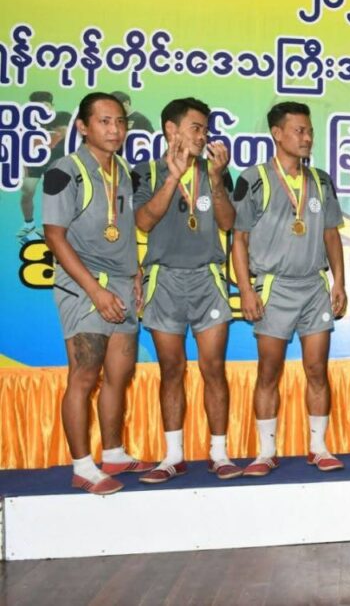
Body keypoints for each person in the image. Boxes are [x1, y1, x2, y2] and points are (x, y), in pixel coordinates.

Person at [42, 92, 153, 495]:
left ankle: (114, 453)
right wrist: (94, 290)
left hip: (122, 283)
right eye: (104, 121)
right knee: (85, 374)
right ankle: (82, 466)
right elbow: (54, 236)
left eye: (120, 121)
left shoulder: (123, 170)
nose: (115, 129)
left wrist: (135, 272)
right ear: (83, 127)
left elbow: (123, 228)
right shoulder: (65, 171)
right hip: (83, 285)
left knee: (119, 375)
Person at [232, 102, 347, 477]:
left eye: (309, 130)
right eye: (299, 130)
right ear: (277, 134)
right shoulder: (254, 179)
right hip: (274, 286)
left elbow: (331, 235)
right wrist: (246, 290)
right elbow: (239, 239)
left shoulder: (321, 180)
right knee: (269, 371)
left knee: (317, 369)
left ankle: (319, 447)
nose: (307, 137)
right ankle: (266, 451)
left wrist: (339, 282)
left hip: (314, 286)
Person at [131, 97, 239, 483]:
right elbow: (143, 221)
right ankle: (173, 456)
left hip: (208, 278)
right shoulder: (145, 172)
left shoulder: (215, 171)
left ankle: (219, 453)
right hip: (164, 280)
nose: (203, 136)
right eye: (196, 128)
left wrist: (216, 181)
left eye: (206, 129)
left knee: (213, 368)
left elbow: (228, 222)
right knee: (171, 369)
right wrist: (172, 178)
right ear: (171, 130)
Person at [20, 93, 69, 244]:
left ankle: (50, 229)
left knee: (54, 196)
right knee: (27, 191)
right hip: (34, 161)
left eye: (45, 105)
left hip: (56, 160)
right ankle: (28, 224)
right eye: (37, 106)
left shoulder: (62, 116)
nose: (42, 108)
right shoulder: (26, 122)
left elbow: (67, 133)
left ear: (52, 106)